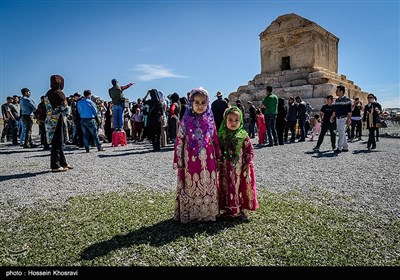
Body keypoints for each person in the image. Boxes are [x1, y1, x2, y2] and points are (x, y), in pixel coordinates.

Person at [173, 87, 221, 223]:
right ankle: (193, 214)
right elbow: (180, 140)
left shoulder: (210, 121)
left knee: (209, 183)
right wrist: (179, 158)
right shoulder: (185, 121)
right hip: (191, 159)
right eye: (197, 102)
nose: (200, 106)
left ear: (207, 104)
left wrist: (218, 155)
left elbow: (215, 139)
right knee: (191, 183)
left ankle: (209, 213)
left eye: (203, 103)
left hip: (209, 159)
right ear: (191, 103)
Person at [218, 106, 258, 221]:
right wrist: (218, 159)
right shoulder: (222, 134)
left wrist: (248, 162)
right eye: (230, 120)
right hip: (226, 166)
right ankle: (228, 208)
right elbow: (218, 148)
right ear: (225, 120)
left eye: (236, 120)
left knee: (238, 186)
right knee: (226, 185)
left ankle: (238, 209)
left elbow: (249, 149)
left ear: (240, 121)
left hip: (239, 167)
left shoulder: (243, 135)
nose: (233, 123)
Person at [44, 75, 73, 172]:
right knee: (57, 142)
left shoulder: (47, 93)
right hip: (58, 120)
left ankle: (63, 163)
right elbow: (65, 109)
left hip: (49, 120)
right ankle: (55, 165)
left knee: (57, 142)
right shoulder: (59, 93)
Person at [330, 85, 352, 153]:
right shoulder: (336, 100)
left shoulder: (347, 100)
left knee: (340, 133)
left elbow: (349, 111)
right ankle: (345, 147)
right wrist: (332, 117)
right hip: (337, 118)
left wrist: (348, 119)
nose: (336, 92)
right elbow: (334, 110)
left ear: (341, 91)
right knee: (341, 133)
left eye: (337, 91)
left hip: (343, 118)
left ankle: (339, 148)